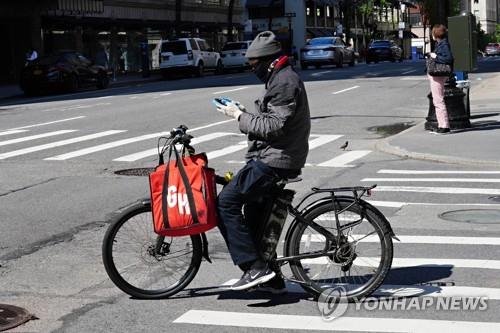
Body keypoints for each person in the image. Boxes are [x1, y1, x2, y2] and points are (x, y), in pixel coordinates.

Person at [214, 31, 311, 292]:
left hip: (277, 158)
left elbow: (274, 126)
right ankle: (272, 277)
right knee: (256, 216)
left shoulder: (284, 82)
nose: (251, 68)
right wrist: (241, 113)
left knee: (226, 202)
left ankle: (254, 268)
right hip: (273, 155)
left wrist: (238, 116)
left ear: (269, 61)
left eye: (253, 64)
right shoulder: (278, 78)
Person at [427, 24, 454, 134]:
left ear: (436, 34)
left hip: (438, 75)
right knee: (437, 99)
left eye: (433, 32)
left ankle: (444, 126)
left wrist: (435, 56)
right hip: (437, 75)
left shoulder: (443, 44)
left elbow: (448, 58)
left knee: (438, 100)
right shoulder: (441, 43)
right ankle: (442, 124)